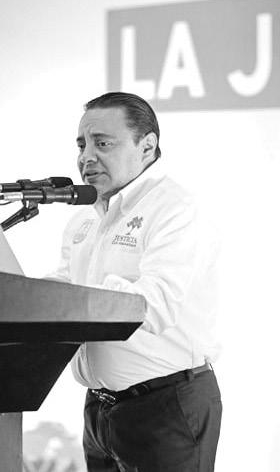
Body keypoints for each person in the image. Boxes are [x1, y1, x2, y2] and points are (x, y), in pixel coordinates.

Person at [49, 92, 223, 471]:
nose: (86, 157)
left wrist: (73, 296)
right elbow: (63, 289)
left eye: (102, 143)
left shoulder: (175, 209)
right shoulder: (84, 219)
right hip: (99, 409)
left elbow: (154, 306)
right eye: (81, 145)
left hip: (165, 406)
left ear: (147, 146)